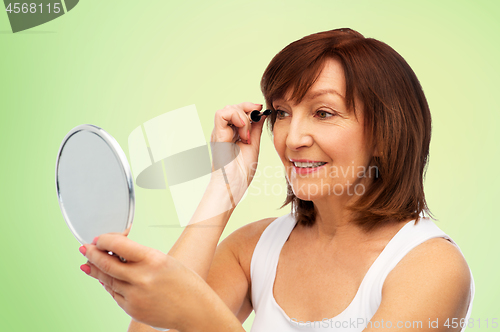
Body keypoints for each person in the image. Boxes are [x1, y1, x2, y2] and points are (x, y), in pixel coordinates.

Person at [79, 28, 474, 332]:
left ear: (386, 134)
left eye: (323, 112)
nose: (292, 138)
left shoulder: (432, 267)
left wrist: (203, 316)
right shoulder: (255, 248)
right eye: (282, 112)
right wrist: (223, 186)